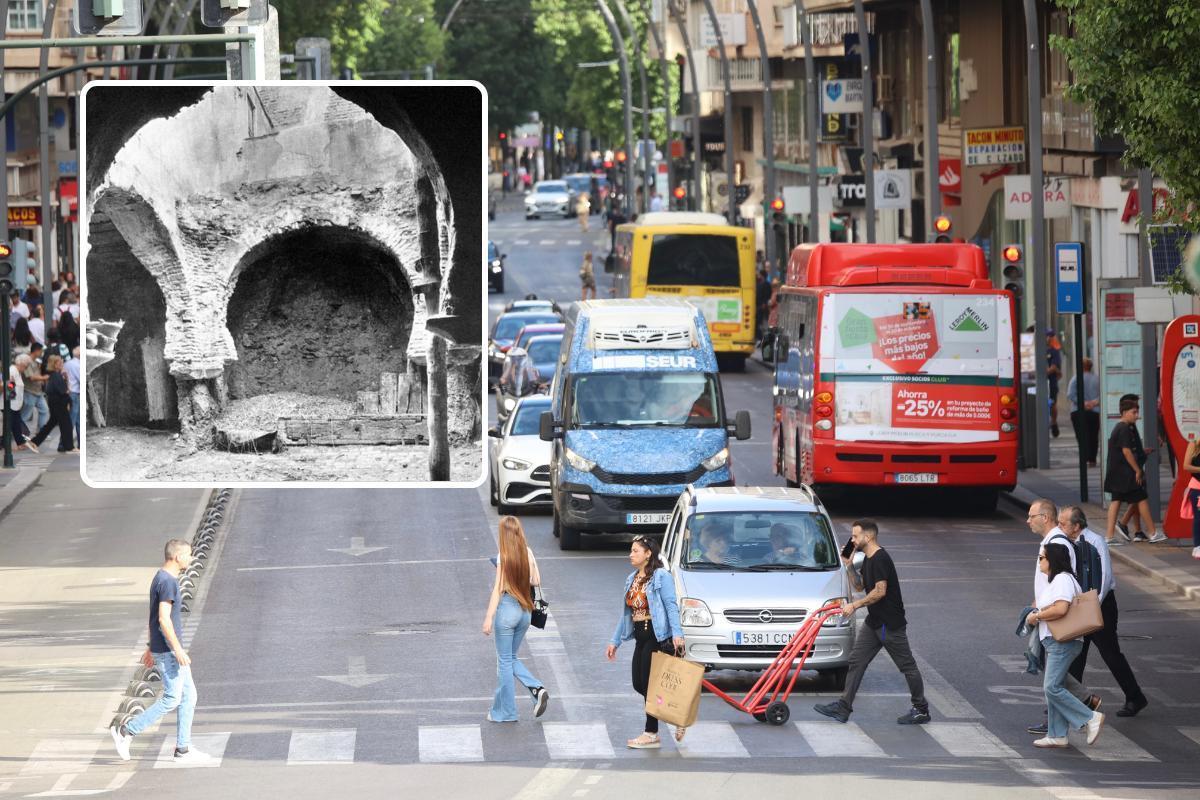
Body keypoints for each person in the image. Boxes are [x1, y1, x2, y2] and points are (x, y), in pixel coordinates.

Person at [814, 519, 930, 725]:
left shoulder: (880, 559)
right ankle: (843, 707)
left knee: (906, 666)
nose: (852, 539)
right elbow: (859, 587)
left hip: (889, 625)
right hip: (874, 622)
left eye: (855, 536)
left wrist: (855, 606)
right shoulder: (867, 559)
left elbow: (880, 591)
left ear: (868, 537)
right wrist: (849, 566)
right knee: (856, 661)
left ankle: (921, 709)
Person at [110, 539, 206, 763]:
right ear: (178, 557)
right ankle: (126, 731)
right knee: (172, 698)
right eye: (188, 555)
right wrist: (177, 650)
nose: (191, 559)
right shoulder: (169, 582)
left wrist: (149, 646)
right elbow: (163, 619)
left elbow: (152, 617)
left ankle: (183, 749)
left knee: (189, 697)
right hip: (170, 651)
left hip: (163, 648)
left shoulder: (159, 577)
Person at [1059, 506, 1148, 717]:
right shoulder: (1067, 543)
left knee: (1110, 654)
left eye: (1063, 523)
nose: (1060, 527)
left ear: (1077, 526)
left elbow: (1105, 578)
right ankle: (1069, 702)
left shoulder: (1095, 541)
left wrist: (1092, 606)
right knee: (1076, 655)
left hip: (1100, 606)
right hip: (1079, 604)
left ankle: (1135, 697)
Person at [1024, 498, 1099, 734]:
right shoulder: (1052, 541)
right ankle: (1057, 733)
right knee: (1054, 677)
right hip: (1049, 619)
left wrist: (1039, 613)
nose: (1027, 521)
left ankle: (1088, 713)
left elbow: (1062, 586)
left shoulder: (1057, 544)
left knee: (1052, 683)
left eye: (1031, 516)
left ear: (1044, 517)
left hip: (1056, 622)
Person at [606, 535, 686, 748]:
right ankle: (675, 713)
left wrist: (677, 634)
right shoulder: (631, 578)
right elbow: (626, 614)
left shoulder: (661, 576)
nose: (631, 555)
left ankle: (651, 733)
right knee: (638, 683)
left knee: (649, 684)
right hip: (639, 637)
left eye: (635, 551)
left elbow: (670, 606)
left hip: (655, 635)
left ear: (648, 553)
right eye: (631, 551)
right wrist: (615, 641)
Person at [482, 516, 549, 722]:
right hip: (525, 613)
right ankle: (536, 689)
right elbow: (536, 580)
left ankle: (507, 712)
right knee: (510, 658)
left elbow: (498, 589)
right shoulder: (527, 552)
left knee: (503, 662)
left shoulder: (503, 556)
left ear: (504, 535)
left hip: (508, 610)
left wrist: (488, 617)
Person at [1104, 396, 1165, 544]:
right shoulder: (1124, 429)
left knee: (1116, 501)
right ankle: (1153, 533)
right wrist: (1137, 470)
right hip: (1126, 473)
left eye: (1137, 412)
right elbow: (1126, 452)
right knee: (1141, 497)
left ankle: (1109, 536)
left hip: (1116, 471)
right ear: (1124, 412)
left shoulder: (1119, 427)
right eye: (1134, 412)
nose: (1137, 416)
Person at [31, 354, 76, 452]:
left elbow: (65, 390)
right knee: (66, 424)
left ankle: (35, 441)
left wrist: (66, 379)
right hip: (59, 403)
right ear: (54, 364)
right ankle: (69, 447)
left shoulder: (56, 375)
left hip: (56, 402)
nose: (62, 363)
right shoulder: (55, 375)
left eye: (61, 362)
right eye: (59, 362)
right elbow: (65, 391)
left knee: (51, 424)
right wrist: (67, 399)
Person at [1068, 357, 1101, 467]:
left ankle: (1085, 458)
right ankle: (1092, 459)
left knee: (1081, 435)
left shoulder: (1075, 378)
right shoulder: (1097, 379)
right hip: (1094, 411)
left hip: (1078, 411)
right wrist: (1093, 403)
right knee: (1093, 436)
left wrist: (1083, 403)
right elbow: (1102, 394)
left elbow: (1070, 395)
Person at [7, 354, 36, 452]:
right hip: (10, 404)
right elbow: (9, 386)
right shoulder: (12, 370)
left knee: (16, 424)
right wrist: (11, 384)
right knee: (13, 424)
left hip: (16, 404)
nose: (27, 368)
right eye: (26, 365)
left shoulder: (18, 372)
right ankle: (12, 444)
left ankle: (20, 443)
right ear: (22, 363)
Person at [20, 342, 49, 435]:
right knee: (25, 415)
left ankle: (42, 432)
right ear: (36, 351)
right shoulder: (27, 361)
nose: (42, 353)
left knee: (44, 410)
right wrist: (44, 378)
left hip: (37, 392)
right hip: (30, 391)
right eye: (41, 351)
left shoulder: (36, 361)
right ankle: (19, 434)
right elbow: (31, 377)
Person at [1182, 437, 1200, 560]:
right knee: (1199, 517)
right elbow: (1186, 466)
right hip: (1197, 487)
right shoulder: (1194, 444)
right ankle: (1198, 546)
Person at [1046, 329, 1063, 437]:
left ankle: (1053, 422)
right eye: (1049, 336)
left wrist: (1042, 372)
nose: (1050, 338)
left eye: (1051, 336)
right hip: (1039, 382)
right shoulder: (1036, 350)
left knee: (1052, 403)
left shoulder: (1053, 351)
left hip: (1051, 383)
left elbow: (1054, 367)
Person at [66, 347, 81, 443]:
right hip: (75, 393)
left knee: (77, 420)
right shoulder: (78, 365)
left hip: (69, 393)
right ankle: (65, 443)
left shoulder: (67, 363)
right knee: (73, 419)